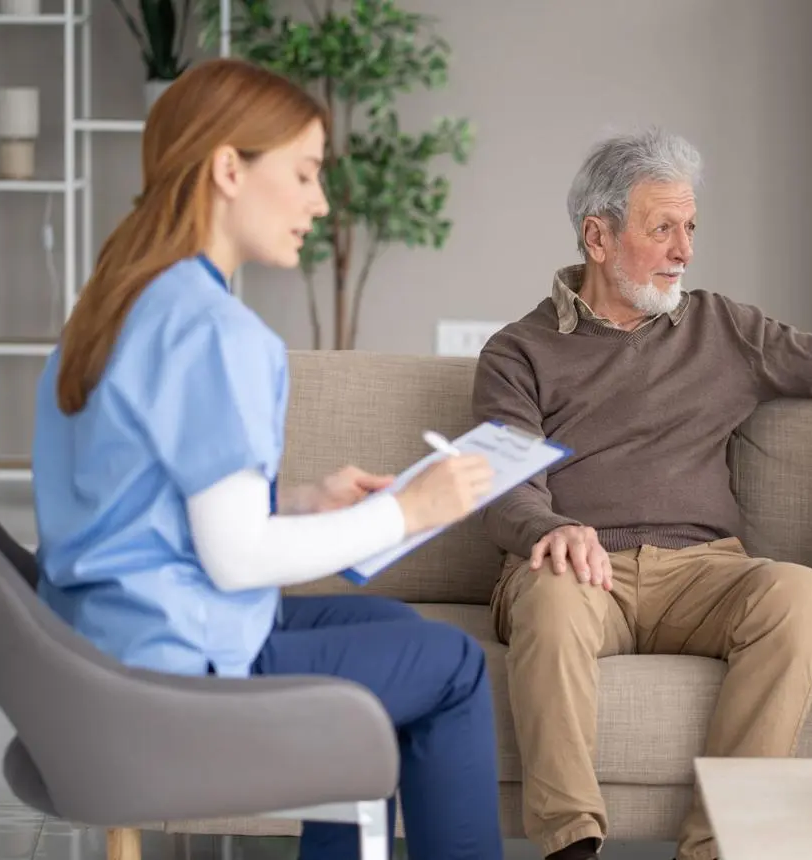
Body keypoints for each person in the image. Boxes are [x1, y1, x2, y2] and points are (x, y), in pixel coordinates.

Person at [29, 58, 504, 860]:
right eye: (306, 173)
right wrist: (407, 512)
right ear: (228, 169)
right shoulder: (220, 332)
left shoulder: (111, 305)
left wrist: (304, 503)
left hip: (103, 653)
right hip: (175, 677)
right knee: (453, 665)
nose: (320, 203)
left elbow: (144, 507)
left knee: (388, 630)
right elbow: (238, 555)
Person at [471, 128, 812, 860]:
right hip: (579, 569)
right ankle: (571, 845)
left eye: (689, 228)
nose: (684, 250)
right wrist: (552, 528)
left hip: (705, 572)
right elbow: (500, 484)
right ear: (598, 237)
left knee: (797, 593)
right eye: (662, 228)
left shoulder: (724, 328)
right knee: (551, 592)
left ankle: (716, 846)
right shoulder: (518, 350)